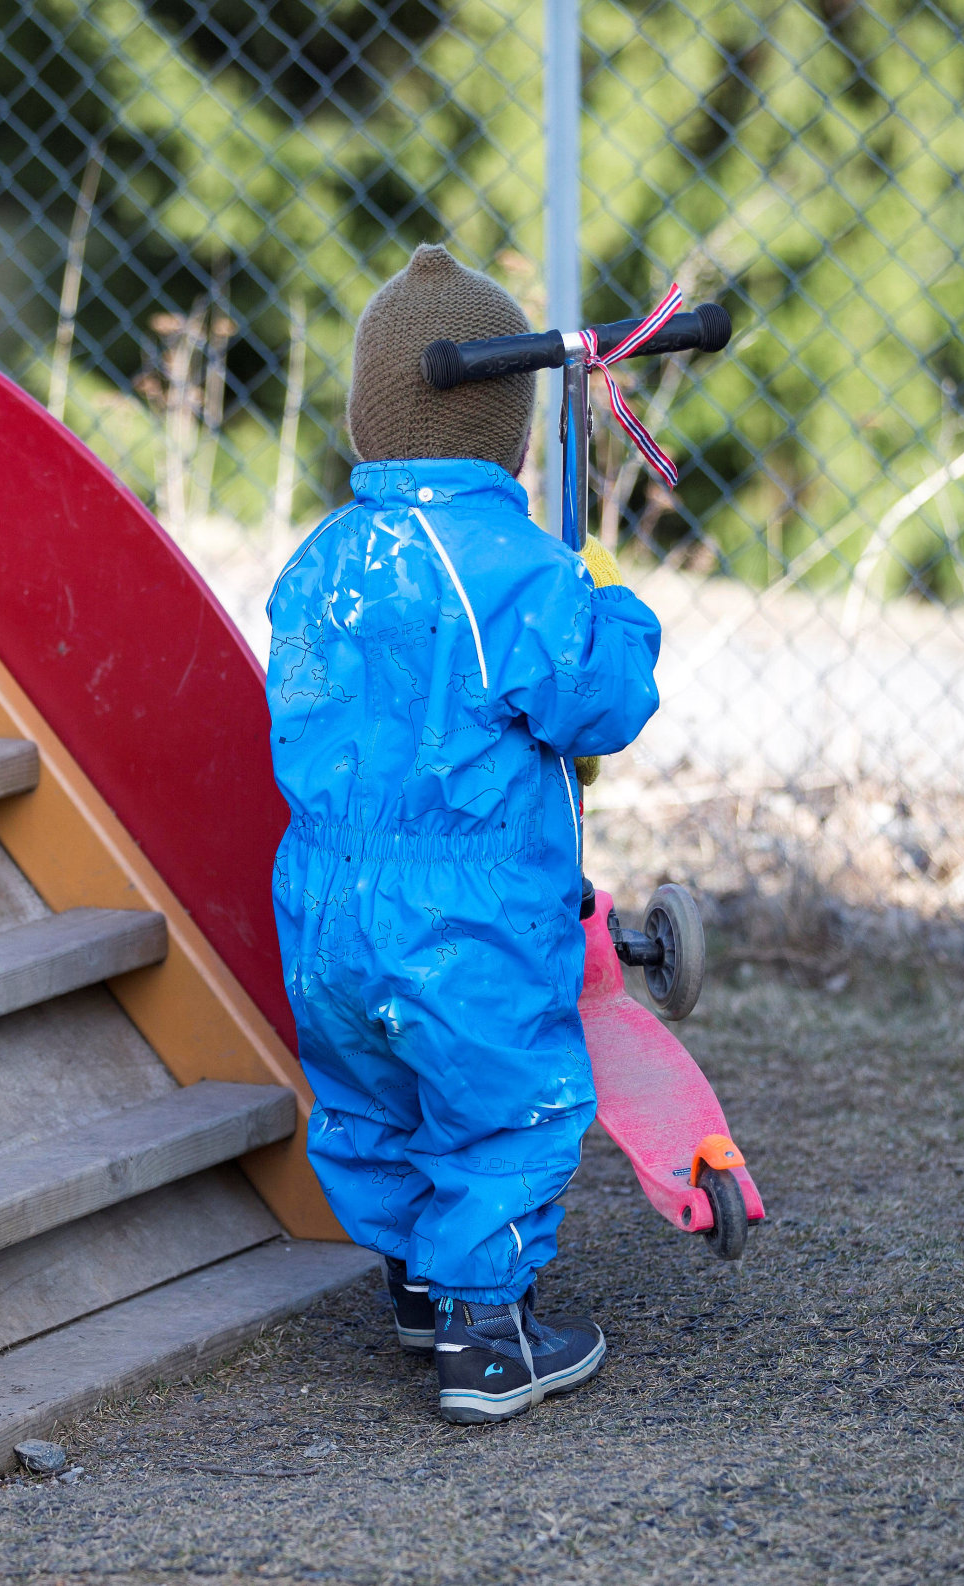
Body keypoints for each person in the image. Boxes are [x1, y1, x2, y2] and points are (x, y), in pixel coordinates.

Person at [265, 244, 663, 1424]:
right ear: (508, 431)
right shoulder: (518, 571)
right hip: (470, 904)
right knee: (502, 1097)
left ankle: (416, 1281)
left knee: (371, 1092)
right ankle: (489, 1335)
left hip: (327, 898)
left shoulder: (317, 564)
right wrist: (618, 612)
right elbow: (600, 703)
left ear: (369, 414)